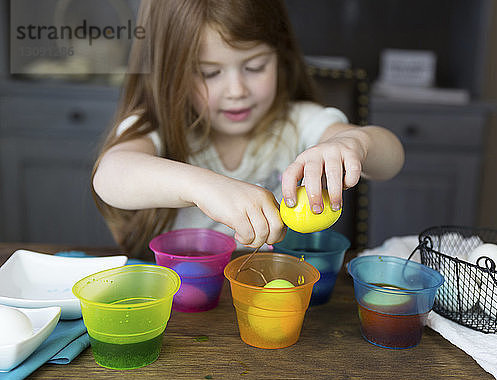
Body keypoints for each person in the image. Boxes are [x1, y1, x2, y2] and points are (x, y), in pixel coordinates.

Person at [92, 0, 404, 259]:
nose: (236, 90)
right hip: (179, 309)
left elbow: (391, 158)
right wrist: (204, 188)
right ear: (171, 73)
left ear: (280, 58)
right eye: (209, 73)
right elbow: (110, 175)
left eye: (254, 67)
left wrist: (354, 143)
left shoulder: (297, 123)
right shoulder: (160, 127)